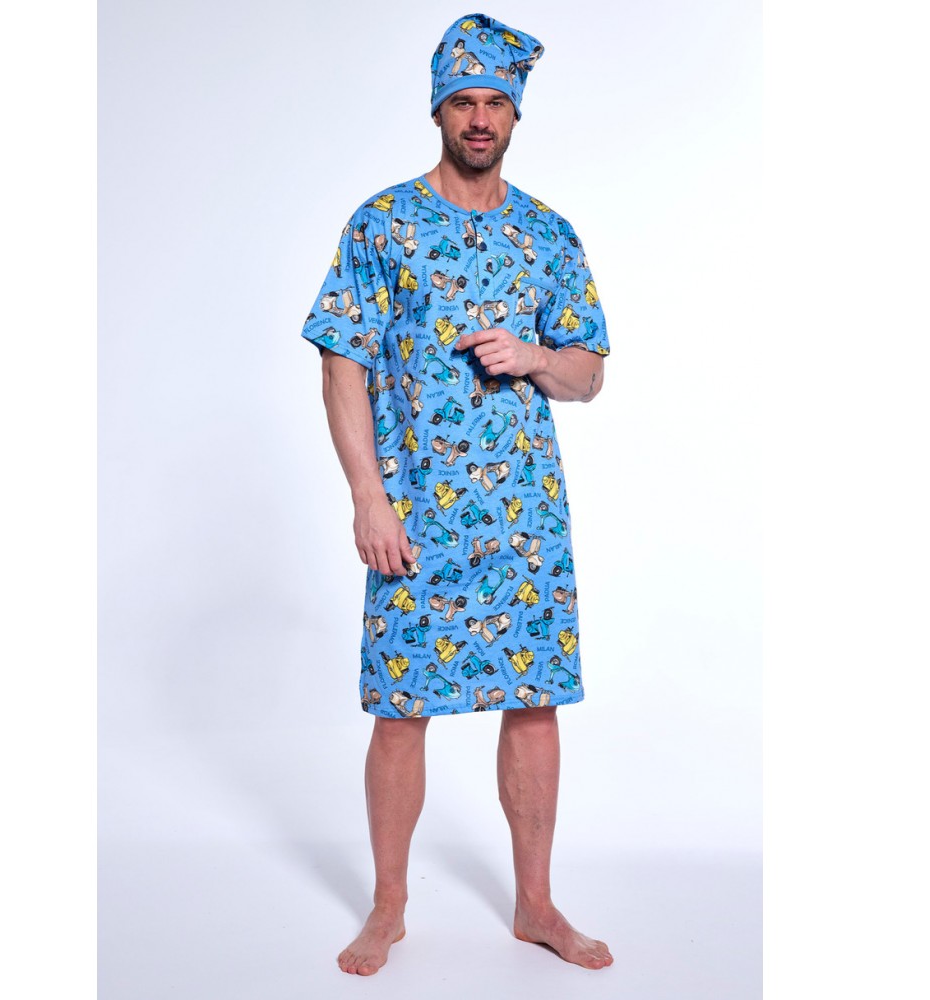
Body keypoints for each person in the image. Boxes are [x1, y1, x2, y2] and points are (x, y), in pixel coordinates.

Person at [301, 12, 613, 976]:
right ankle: (389, 906)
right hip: (415, 512)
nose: (480, 118)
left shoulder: (548, 234)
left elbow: (589, 374)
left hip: (525, 515)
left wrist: (535, 356)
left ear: (515, 115)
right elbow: (342, 362)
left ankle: (535, 905)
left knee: (535, 701)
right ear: (437, 110)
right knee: (402, 708)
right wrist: (368, 497)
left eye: (494, 103)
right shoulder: (383, 223)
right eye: (463, 101)